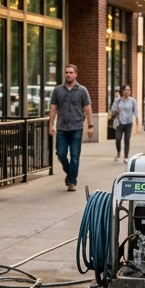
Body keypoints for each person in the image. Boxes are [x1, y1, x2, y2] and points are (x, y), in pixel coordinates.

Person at [48, 64, 93, 192]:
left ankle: (72, 181)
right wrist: (50, 125)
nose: (68, 74)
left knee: (74, 156)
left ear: (75, 74)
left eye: (71, 72)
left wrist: (90, 126)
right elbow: (53, 108)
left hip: (76, 128)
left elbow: (88, 109)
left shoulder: (82, 90)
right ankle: (70, 172)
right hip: (62, 128)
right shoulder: (58, 90)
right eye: (66, 72)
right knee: (61, 153)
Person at [110, 84, 138, 161]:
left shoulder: (132, 101)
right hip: (120, 122)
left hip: (129, 122)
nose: (127, 91)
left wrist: (137, 120)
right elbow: (112, 110)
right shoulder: (118, 100)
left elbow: (135, 111)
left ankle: (126, 156)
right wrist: (116, 111)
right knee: (118, 139)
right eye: (125, 90)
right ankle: (118, 153)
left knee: (127, 139)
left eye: (128, 90)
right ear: (122, 91)